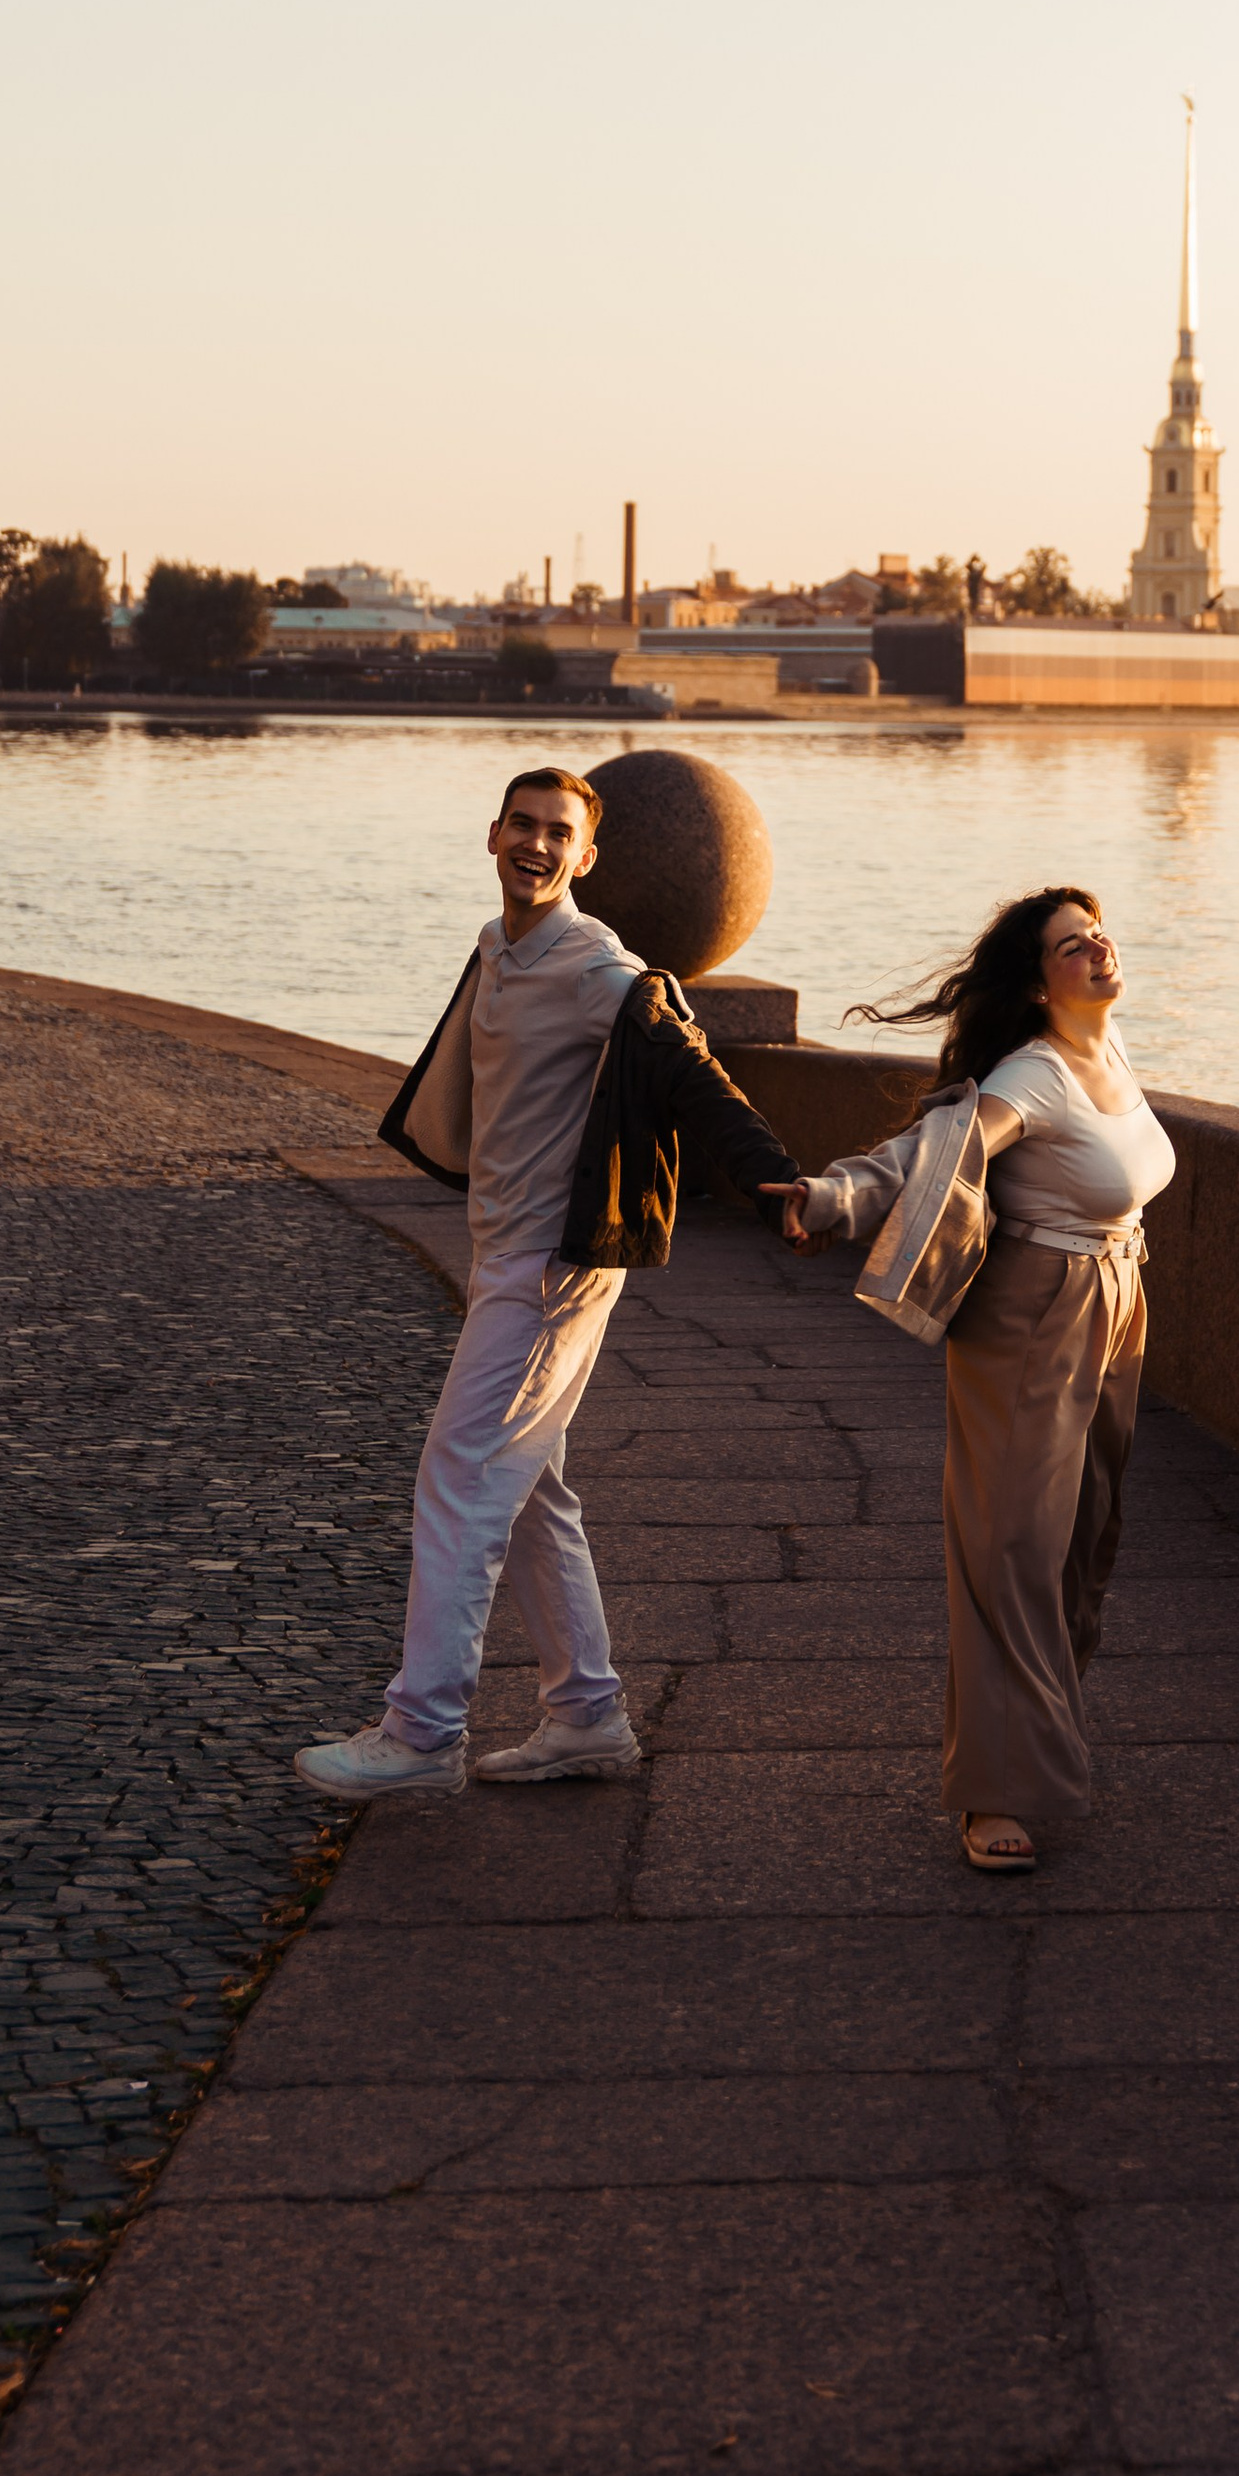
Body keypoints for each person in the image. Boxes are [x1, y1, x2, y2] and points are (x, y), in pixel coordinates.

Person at [295, 762, 800, 1801]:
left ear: (586, 856)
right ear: (492, 836)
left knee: (459, 1479)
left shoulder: (596, 969)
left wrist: (772, 1182)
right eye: (520, 826)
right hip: (505, 1255)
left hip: (551, 1272)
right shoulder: (497, 946)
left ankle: (422, 1731)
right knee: (531, 1497)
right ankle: (586, 1717)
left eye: (556, 832)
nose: (535, 844)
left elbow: (694, 1072)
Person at [782, 890, 1174, 1871]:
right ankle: (993, 1791)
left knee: (1080, 1536)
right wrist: (837, 1196)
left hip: (1115, 1298)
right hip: (1036, 1313)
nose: (1095, 947)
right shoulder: (1034, 1074)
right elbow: (939, 1146)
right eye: (1068, 944)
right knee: (1010, 1544)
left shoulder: (1108, 1050)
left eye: (1097, 931)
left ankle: (1037, 1736)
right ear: (1037, 982)